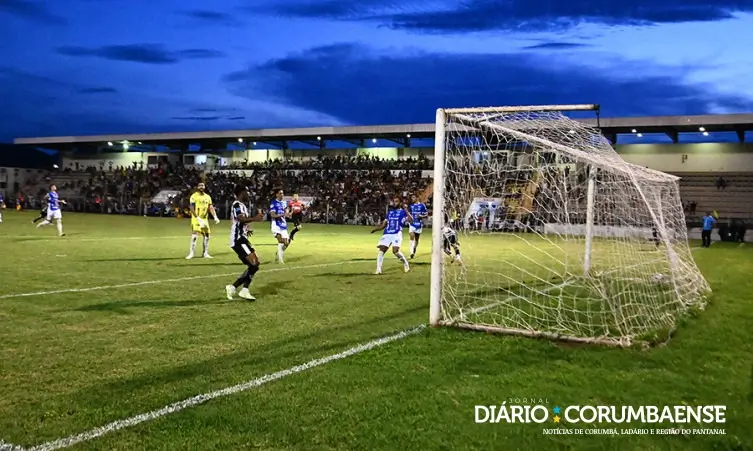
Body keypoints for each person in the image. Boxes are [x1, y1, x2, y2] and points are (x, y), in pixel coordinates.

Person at [226, 185, 263, 301]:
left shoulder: (241, 205)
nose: (248, 194)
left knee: (254, 264)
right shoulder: (237, 205)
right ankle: (241, 289)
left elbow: (240, 222)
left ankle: (236, 288)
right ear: (241, 192)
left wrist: (247, 229)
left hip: (242, 238)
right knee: (254, 263)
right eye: (247, 192)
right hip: (238, 240)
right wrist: (255, 218)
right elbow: (240, 218)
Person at [370, 196, 413, 274]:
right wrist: (375, 229)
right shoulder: (390, 212)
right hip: (387, 233)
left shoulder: (403, 212)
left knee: (395, 251)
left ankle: (405, 263)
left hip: (396, 233)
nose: (394, 203)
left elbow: (411, 220)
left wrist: (406, 210)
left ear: (400, 203)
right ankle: (378, 269)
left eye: (396, 201)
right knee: (381, 250)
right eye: (394, 201)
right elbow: (383, 225)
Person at [186, 182, 219, 259]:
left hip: (204, 219)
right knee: (194, 235)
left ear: (205, 187)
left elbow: (210, 207)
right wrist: (197, 218)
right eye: (200, 185)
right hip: (196, 218)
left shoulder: (208, 197)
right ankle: (191, 253)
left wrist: (215, 216)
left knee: (207, 235)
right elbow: (191, 208)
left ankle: (205, 253)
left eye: (203, 185)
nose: (201, 187)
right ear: (197, 187)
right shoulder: (194, 196)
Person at [269, 188, 291, 264]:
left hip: (283, 225)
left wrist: (288, 214)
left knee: (286, 243)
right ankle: (281, 261)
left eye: (283, 193)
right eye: (280, 193)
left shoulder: (284, 203)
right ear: (276, 194)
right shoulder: (273, 203)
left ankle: (278, 253)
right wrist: (283, 214)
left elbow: (286, 211)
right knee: (280, 240)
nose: (282, 195)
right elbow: (272, 215)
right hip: (276, 225)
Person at [408, 194, 428, 259]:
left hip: (419, 224)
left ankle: (414, 250)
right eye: (412, 198)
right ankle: (411, 252)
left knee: (416, 239)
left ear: (417, 198)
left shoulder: (422, 205)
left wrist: (421, 216)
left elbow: (426, 214)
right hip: (412, 224)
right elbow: (408, 214)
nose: (412, 199)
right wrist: (408, 218)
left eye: (413, 197)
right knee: (411, 236)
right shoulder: (411, 206)